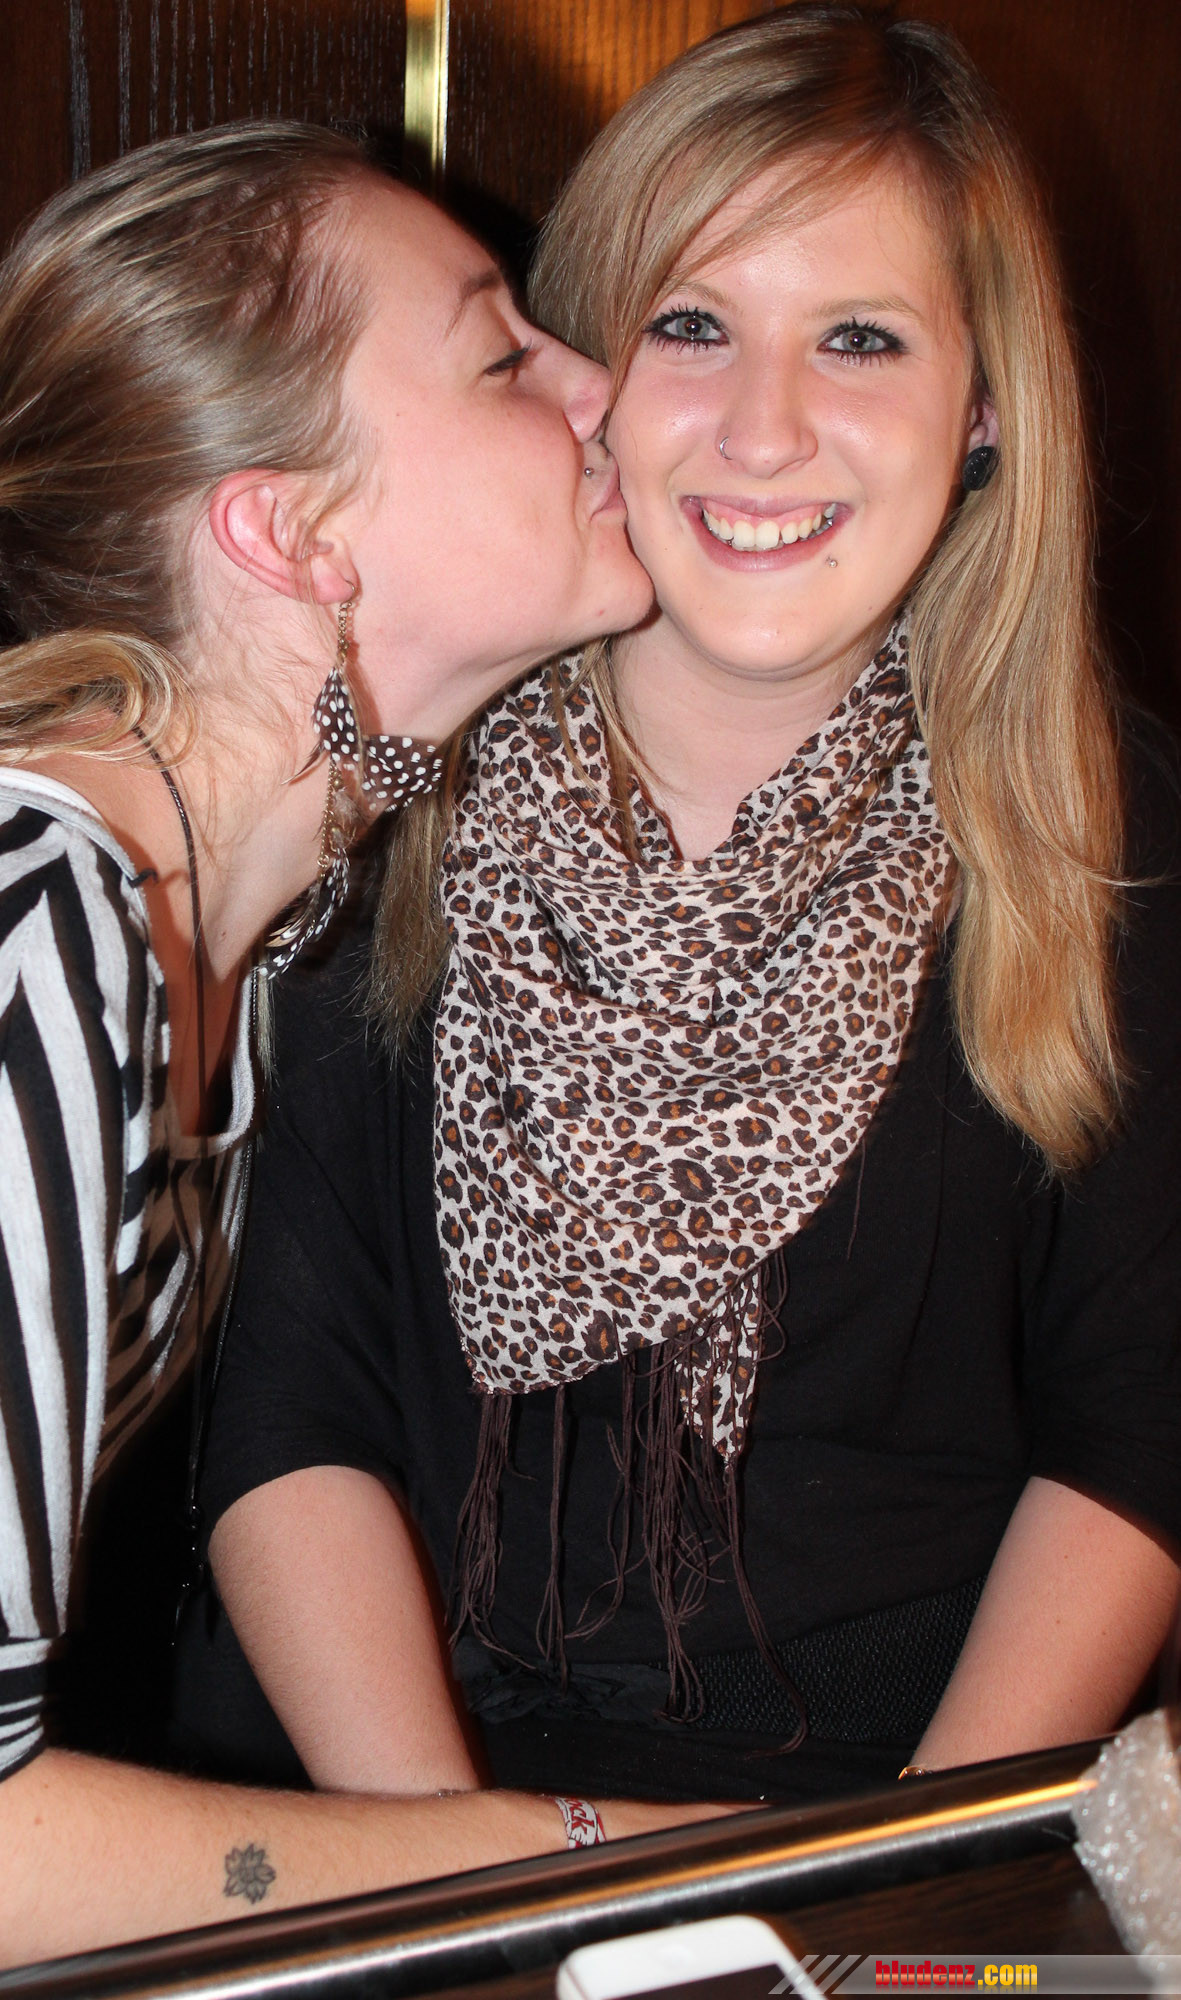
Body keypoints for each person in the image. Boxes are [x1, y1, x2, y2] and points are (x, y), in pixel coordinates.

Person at [185, 4, 1181, 1816]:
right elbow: (285, 1405)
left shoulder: (1106, 828)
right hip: (374, 1811)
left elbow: (1136, 1430)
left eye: (860, 339)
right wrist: (465, 1889)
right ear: (581, 377)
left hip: (894, 1808)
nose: (763, 428)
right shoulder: (380, 787)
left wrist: (892, 1878)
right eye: (691, 325)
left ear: (982, 411)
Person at [0, 119, 722, 1986]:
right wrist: (548, 1855)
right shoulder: (7, 920)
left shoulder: (220, 937)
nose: (598, 384)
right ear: (291, 532)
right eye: (501, 356)